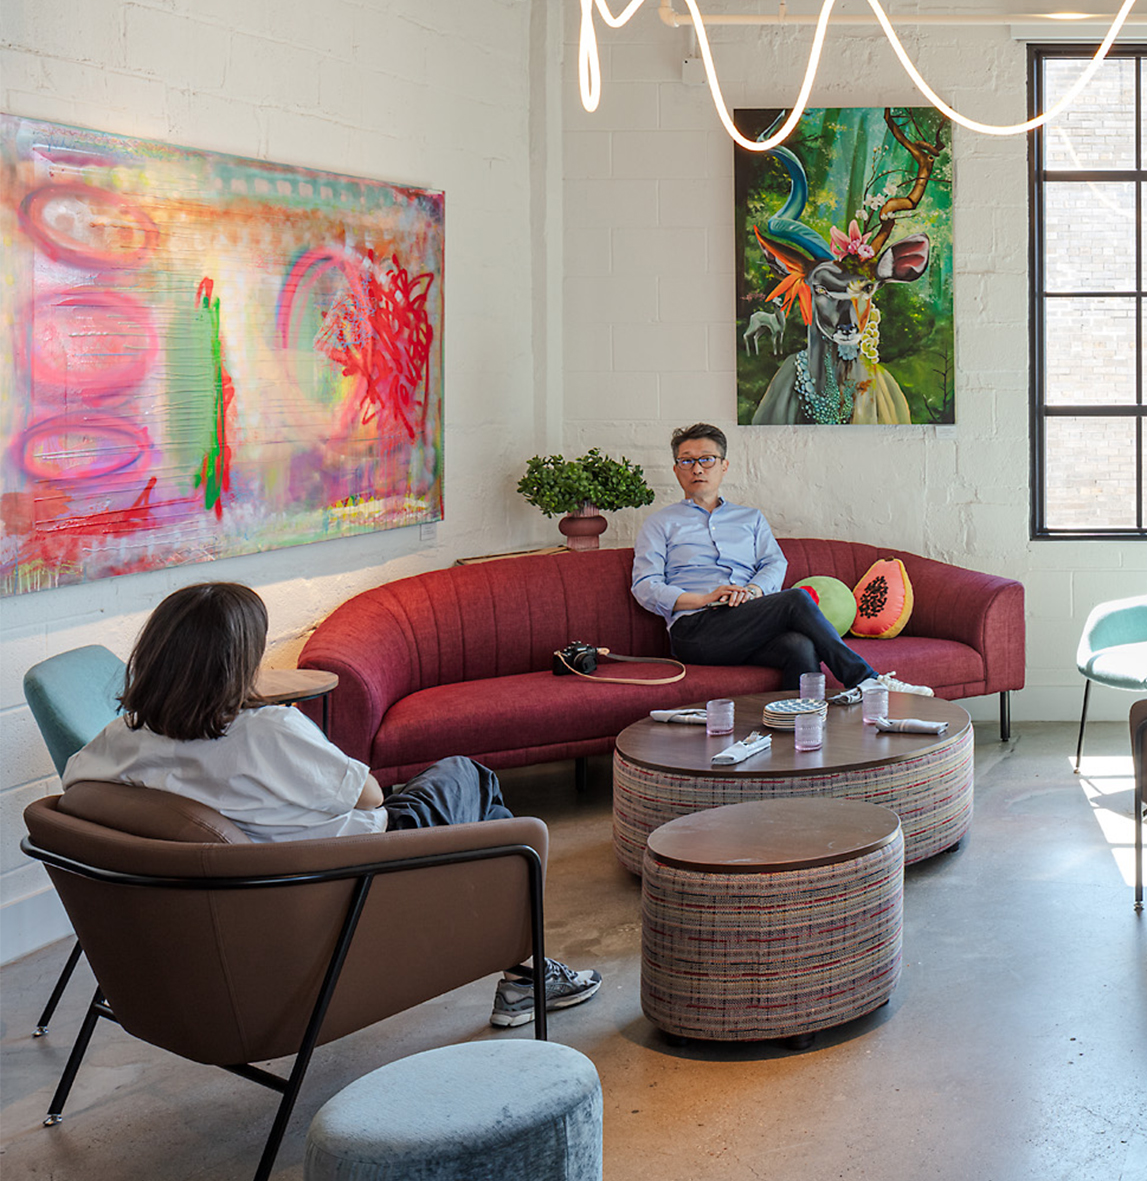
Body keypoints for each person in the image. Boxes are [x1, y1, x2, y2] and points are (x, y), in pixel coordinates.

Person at [61, 580, 601, 1029]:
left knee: (440, 793)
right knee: (468, 777)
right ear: (238, 662)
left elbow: (76, 788)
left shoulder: (121, 738)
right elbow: (369, 795)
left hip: (251, 904)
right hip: (352, 879)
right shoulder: (267, 730)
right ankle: (526, 973)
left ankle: (521, 966)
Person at [631, 422, 931, 698]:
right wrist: (703, 598)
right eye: (687, 461)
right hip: (695, 630)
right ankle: (868, 680)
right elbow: (645, 585)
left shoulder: (750, 519)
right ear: (676, 470)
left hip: (746, 621)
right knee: (796, 599)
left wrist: (753, 591)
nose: (697, 468)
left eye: (707, 459)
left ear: (724, 466)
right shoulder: (659, 524)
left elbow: (774, 563)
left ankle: (799, 727)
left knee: (800, 646)